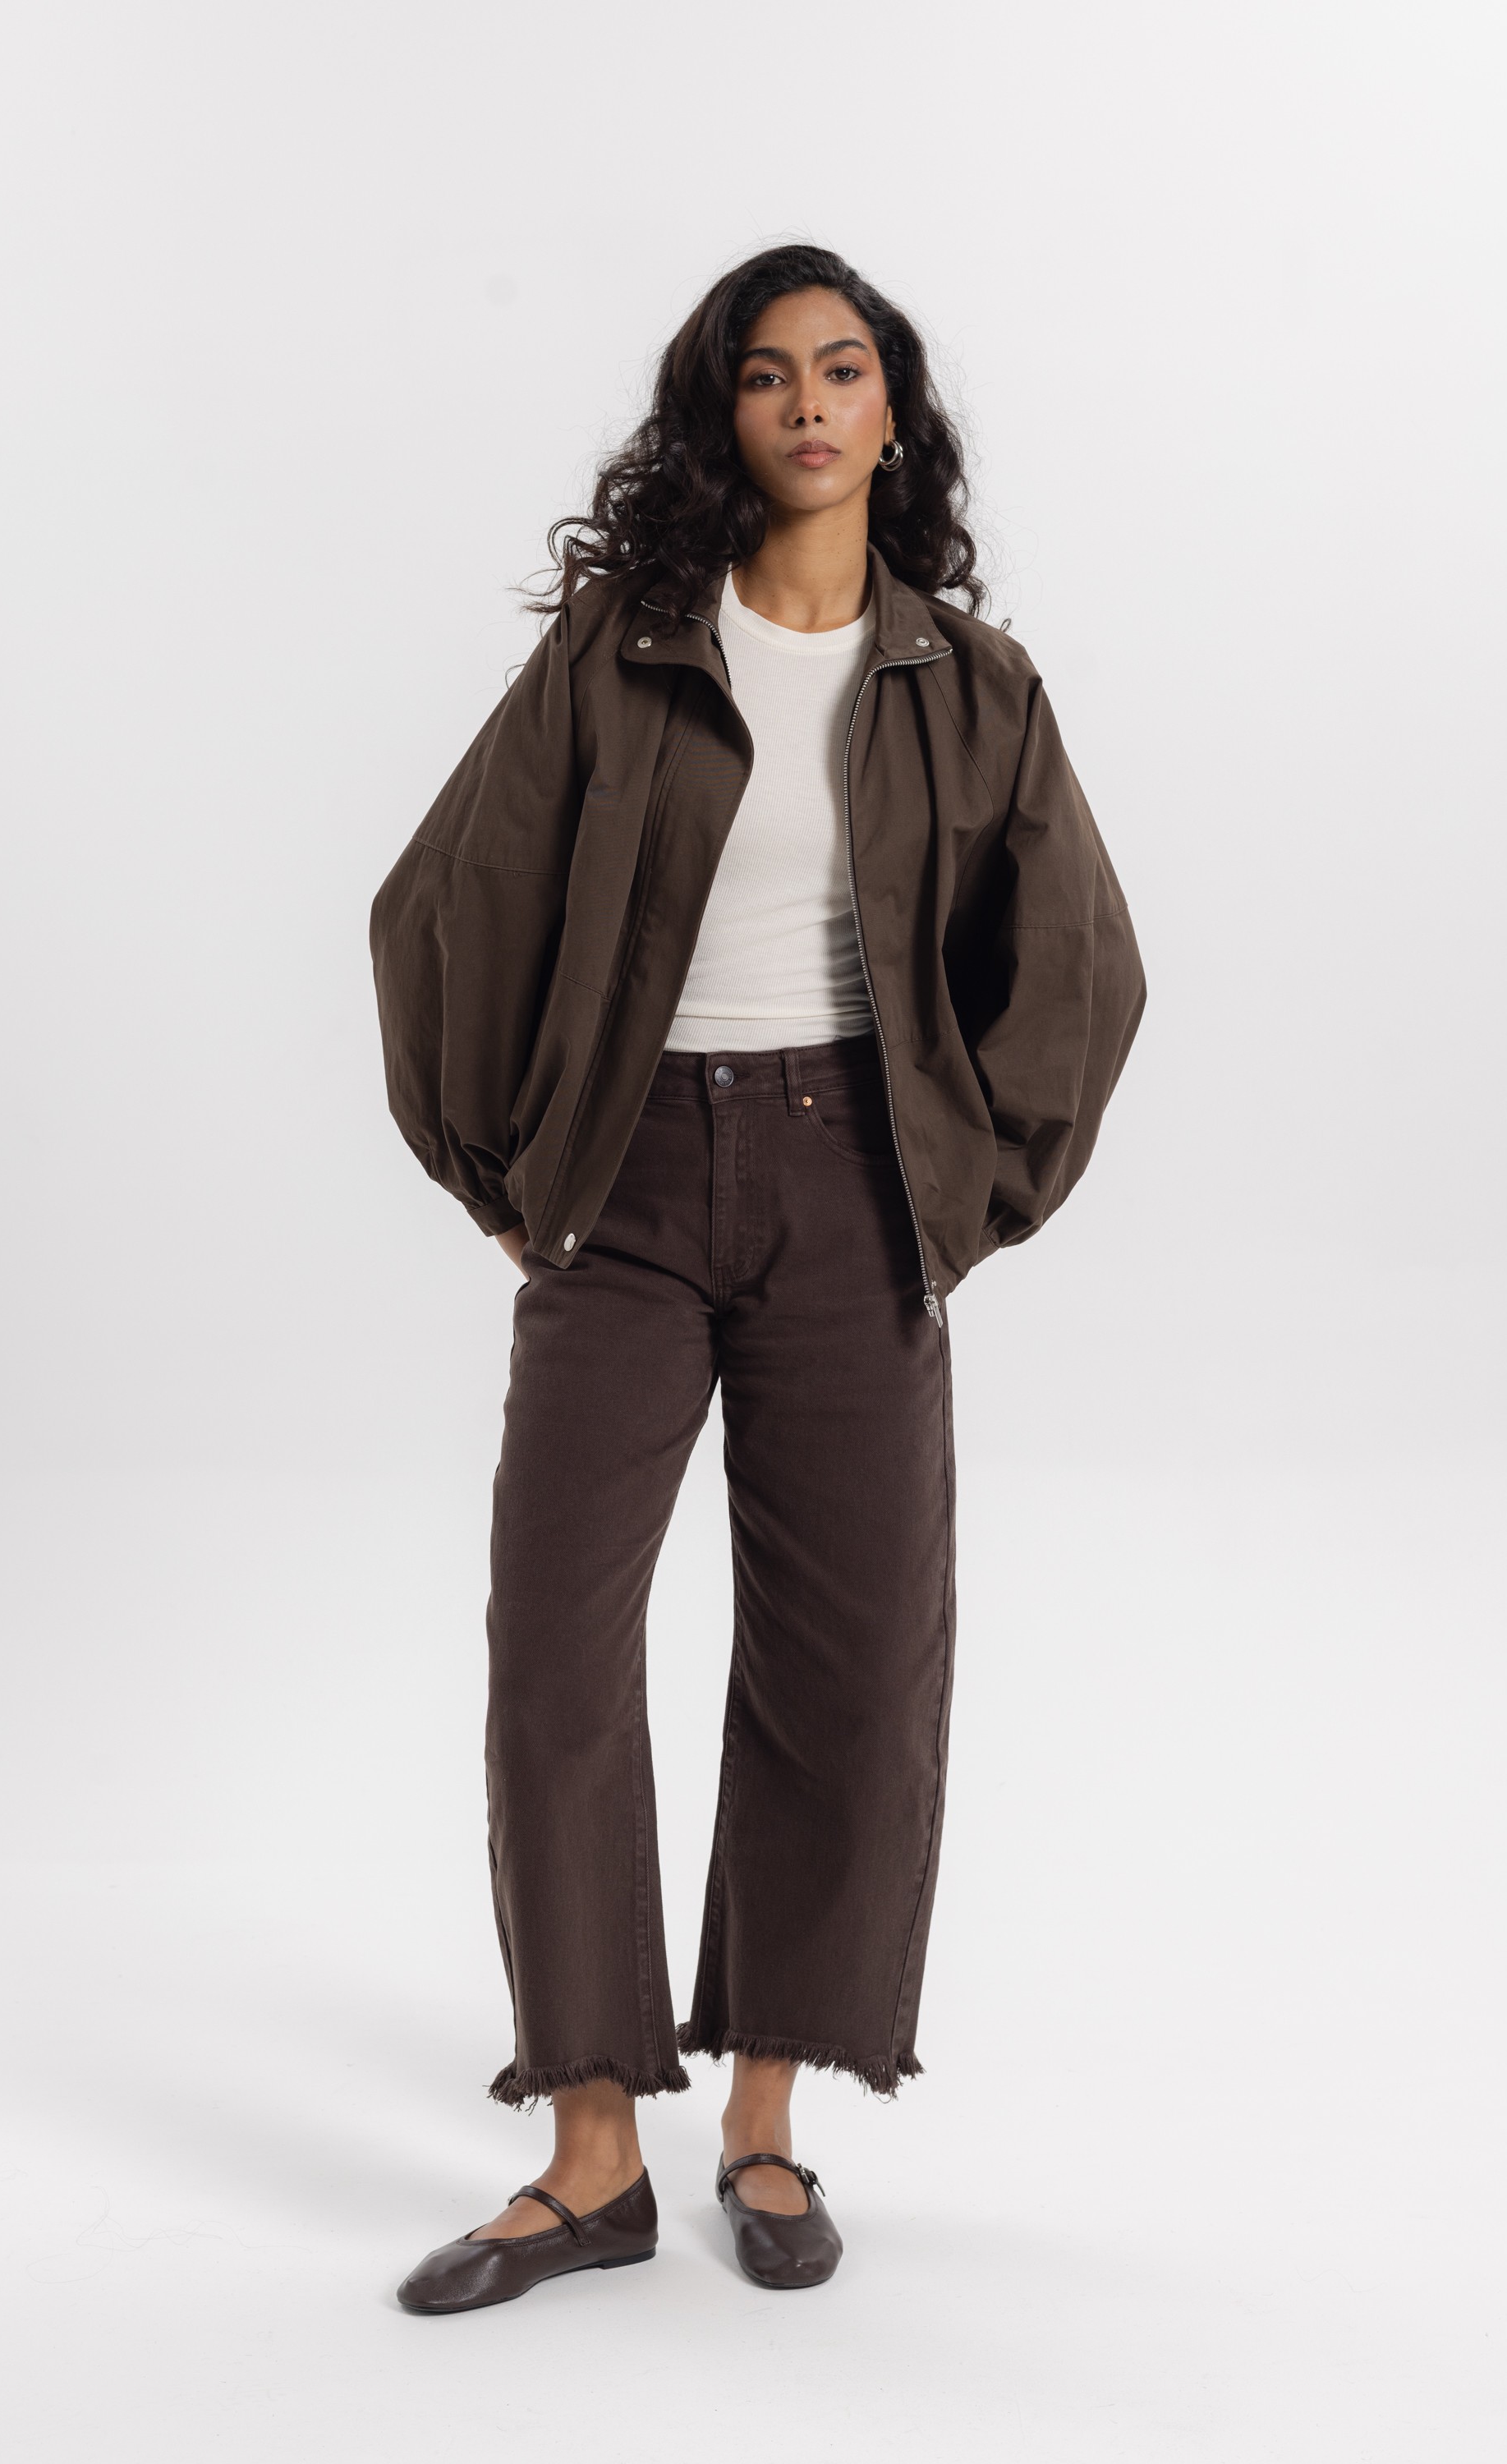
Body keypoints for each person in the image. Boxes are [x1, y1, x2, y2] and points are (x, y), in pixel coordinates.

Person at [370, 242, 1145, 2312]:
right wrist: (502, 1165)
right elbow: (444, 898)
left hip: (852, 1188)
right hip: (622, 1191)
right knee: (555, 1651)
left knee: (847, 1663)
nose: (808, 402)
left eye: (843, 367)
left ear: (893, 412)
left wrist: (963, 1193)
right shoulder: (624, 650)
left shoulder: (969, 685)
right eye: (766, 374)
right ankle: (590, 2156)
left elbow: (1080, 968)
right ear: (720, 416)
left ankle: (767, 2122)